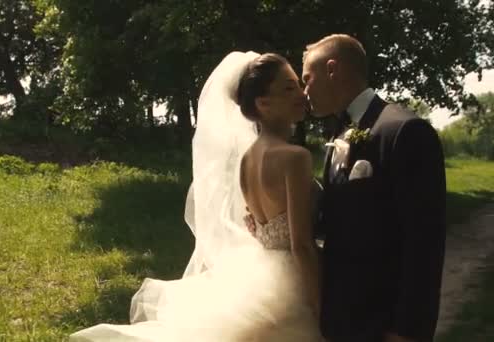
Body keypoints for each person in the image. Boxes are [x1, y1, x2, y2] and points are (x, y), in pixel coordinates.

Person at [70, 51, 322, 341]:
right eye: (288, 88)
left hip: (257, 270)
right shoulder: (295, 157)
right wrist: (319, 307)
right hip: (291, 281)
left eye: (298, 85)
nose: (301, 94)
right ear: (263, 104)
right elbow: (301, 244)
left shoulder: (247, 160)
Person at [302, 34, 447, 342]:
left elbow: (425, 243)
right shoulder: (338, 133)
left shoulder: (404, 131)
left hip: (383, 322)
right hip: (343, 318)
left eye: (307, 79)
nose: (305, 92)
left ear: (332, 69)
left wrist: (408, 329)